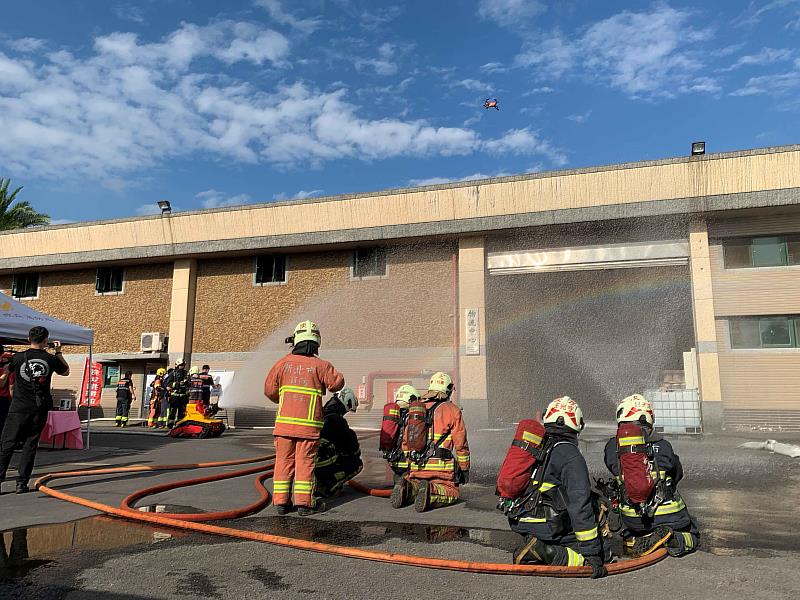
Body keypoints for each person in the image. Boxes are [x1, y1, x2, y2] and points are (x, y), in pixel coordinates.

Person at [510, 396, 607, 578]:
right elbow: (579, 503)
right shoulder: (570, 455)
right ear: (576, 424)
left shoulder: (536, 444)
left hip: (520, 519)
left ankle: (536, 544)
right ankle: (545, 550)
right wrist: (593, 552)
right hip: (546, 525)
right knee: (604, 552)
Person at [603, 394, 700, 558]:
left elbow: (614, 468)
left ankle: (635, 539)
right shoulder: (663, 445)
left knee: (636, 530)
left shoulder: (612, 446)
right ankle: (674, 540)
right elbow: (677, 473)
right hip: (667, 514)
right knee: (693, 533)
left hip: (632, 518)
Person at [264, 320, 344, 516]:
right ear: (316, 343)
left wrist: (282, 399)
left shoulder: (282, 364)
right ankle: (304, 504)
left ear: (295, 341)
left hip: (284, 427)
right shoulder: (321, 366)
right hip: (309, 428)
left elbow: (269, 391)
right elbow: (337, 384)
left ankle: (281, 503)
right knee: (305, 464)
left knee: (283, 462)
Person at [0, 327, 69, 494]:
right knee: (30, 444)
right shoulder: (51, 359)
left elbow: (4, 377)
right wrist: (58, 352)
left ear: (28, 338)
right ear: (46, 340)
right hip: (39, 407)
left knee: (6, 444)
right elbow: (66, 371)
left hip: (18, 407)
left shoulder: (17, 357)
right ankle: (21, 483)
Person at [391, 372, 470, 513]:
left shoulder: (416, 409)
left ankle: (408, 488)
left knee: (416, 483)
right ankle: (431, 491)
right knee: (452, 492)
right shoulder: (452, 410)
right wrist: (464, 469)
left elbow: (405, 441)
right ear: (448, 390)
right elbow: (461, 444)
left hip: (417, 467)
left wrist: (411, 464)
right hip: (441, 469)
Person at [314, 388, 363, 499]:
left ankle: (316, 482)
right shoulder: (336, 420)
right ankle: (328, 486)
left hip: (308, 463)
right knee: (357, 464)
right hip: (322, 463)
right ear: (347, 402)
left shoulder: (321, 413)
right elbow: (351, 448)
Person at [384, 384, 417, 483]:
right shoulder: (411, 416)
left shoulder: (393, 415)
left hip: (393, 460)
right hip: (406, 461)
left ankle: (399, 488)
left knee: (399, 479)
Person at [163, 360, 189, 428]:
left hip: (183, 396)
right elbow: (167, 384)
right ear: (177, 365)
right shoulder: (172, 374)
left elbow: (189, 383)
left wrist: (187, 383)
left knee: (182, 412)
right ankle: (170, 425)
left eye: (183, 365)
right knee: (172, 412)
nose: (182, 367)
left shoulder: (186, 373)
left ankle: (180, 425)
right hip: (175, 396)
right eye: (181, 365)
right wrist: (177, 384)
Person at [0, 348, 15, 436]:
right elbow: (11, 387)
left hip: (3, 398)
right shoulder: (9, 372)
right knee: (3, 421)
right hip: (4, 399)